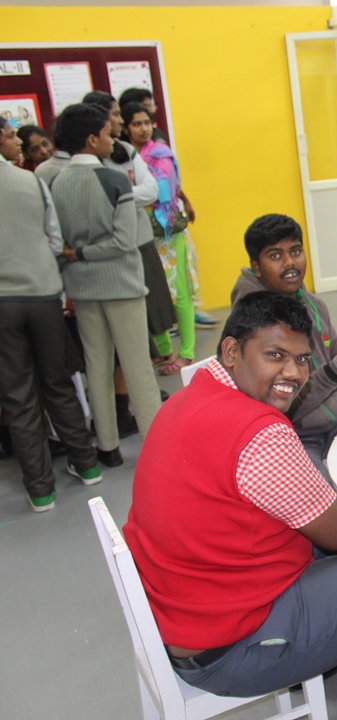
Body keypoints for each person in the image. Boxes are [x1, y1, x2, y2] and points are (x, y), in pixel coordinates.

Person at [124, 291, 337, 720]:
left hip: (189, 611)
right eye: (275, 355)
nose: (293, 373)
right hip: (235, 646)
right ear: (231, 351)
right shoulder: (258, 432)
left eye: (302, 359)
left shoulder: (187, 398)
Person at [231, 213, 337, 478]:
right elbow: (284, 407)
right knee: (323, 496)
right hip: (294, 434)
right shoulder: (256, 326)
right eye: (275, 255)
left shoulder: (314, 305)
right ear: (256, 267)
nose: (290, 263)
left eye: (296, 251)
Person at [48, 103, 162, 467]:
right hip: (121, 286)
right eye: (106, 132)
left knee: (96, 367)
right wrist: (84, 252)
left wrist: (76, 254)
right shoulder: (114, 180)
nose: (113, 137)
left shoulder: (55, 183)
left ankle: (108, 447)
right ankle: (156, 443)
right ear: (92, 139)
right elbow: (124, 242)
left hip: (81, 289)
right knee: (137, 366)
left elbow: (58, 241)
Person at [0, 116, 101, 512]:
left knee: (19, 395)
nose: (16, 140)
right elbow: (56, 240)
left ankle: (41, 490)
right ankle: (87, 465)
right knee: (58, 382)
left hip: (3, 303)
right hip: (44, 293)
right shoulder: (31, 181)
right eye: (10, 134)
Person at [84, 91, 177, 429]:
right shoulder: (81, 166)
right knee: (113, 348)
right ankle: (122, 410)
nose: (120, 122)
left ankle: (137, 402)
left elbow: (151, 190)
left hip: (138, 244)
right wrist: (123, 195)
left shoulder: (125, 152)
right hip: (105, 262)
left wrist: (116, 195)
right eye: (114, 116)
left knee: (143, 333)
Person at [121, 101, 199, 374]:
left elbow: (168, 187)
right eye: (136, 124)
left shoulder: (160, 152)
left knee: (179, 293)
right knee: (153, 292)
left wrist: (184, 199)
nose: (143, 129)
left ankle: (187, 353)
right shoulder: (124, 155)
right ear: (125, 128)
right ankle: (164, 349)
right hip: (141, 232)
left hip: (167, 230)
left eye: (147, 123)